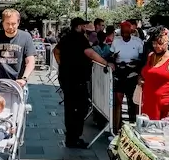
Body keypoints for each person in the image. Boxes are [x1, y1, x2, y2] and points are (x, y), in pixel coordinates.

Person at [53, 18, 111, 148]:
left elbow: (55, 51)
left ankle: (71, 137)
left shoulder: (66, 38)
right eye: (84, 25)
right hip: (76, 79)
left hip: (66, 77)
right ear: (79, 26)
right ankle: (74, 138)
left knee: (70, 108)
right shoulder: (79, 38)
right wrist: (106, 63)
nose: (86, 28)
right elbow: (89, 53)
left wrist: (62, 65)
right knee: (79, 108)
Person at [138, 26, 169, 120]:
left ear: (167, 43)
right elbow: (146, 73)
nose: (157, 47)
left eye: (160, 43)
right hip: (150, 104)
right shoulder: (150, 56)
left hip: (167, 106)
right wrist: (141, 79)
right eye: (154, 43)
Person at [0, 9, 35, 87]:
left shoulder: (25, 37)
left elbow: (30, 61)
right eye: (7, 23)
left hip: (18, 83)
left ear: (18, 22)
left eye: (13, 24)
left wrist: (24, 78)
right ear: (2, 22)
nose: (10, 27)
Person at [110, 22, 144, 130]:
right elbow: (110, 56)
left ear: (131, 31)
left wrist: (136, 62)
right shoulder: (116, 42)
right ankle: (116, 128)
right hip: (119, 73)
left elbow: (142, 58)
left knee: (132, 101)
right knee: (118, 101)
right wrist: (114, 57)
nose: (125, 34)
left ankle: (132, 126)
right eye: (123, 32)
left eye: (127, 32)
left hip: (132, 74)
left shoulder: (137, 42)